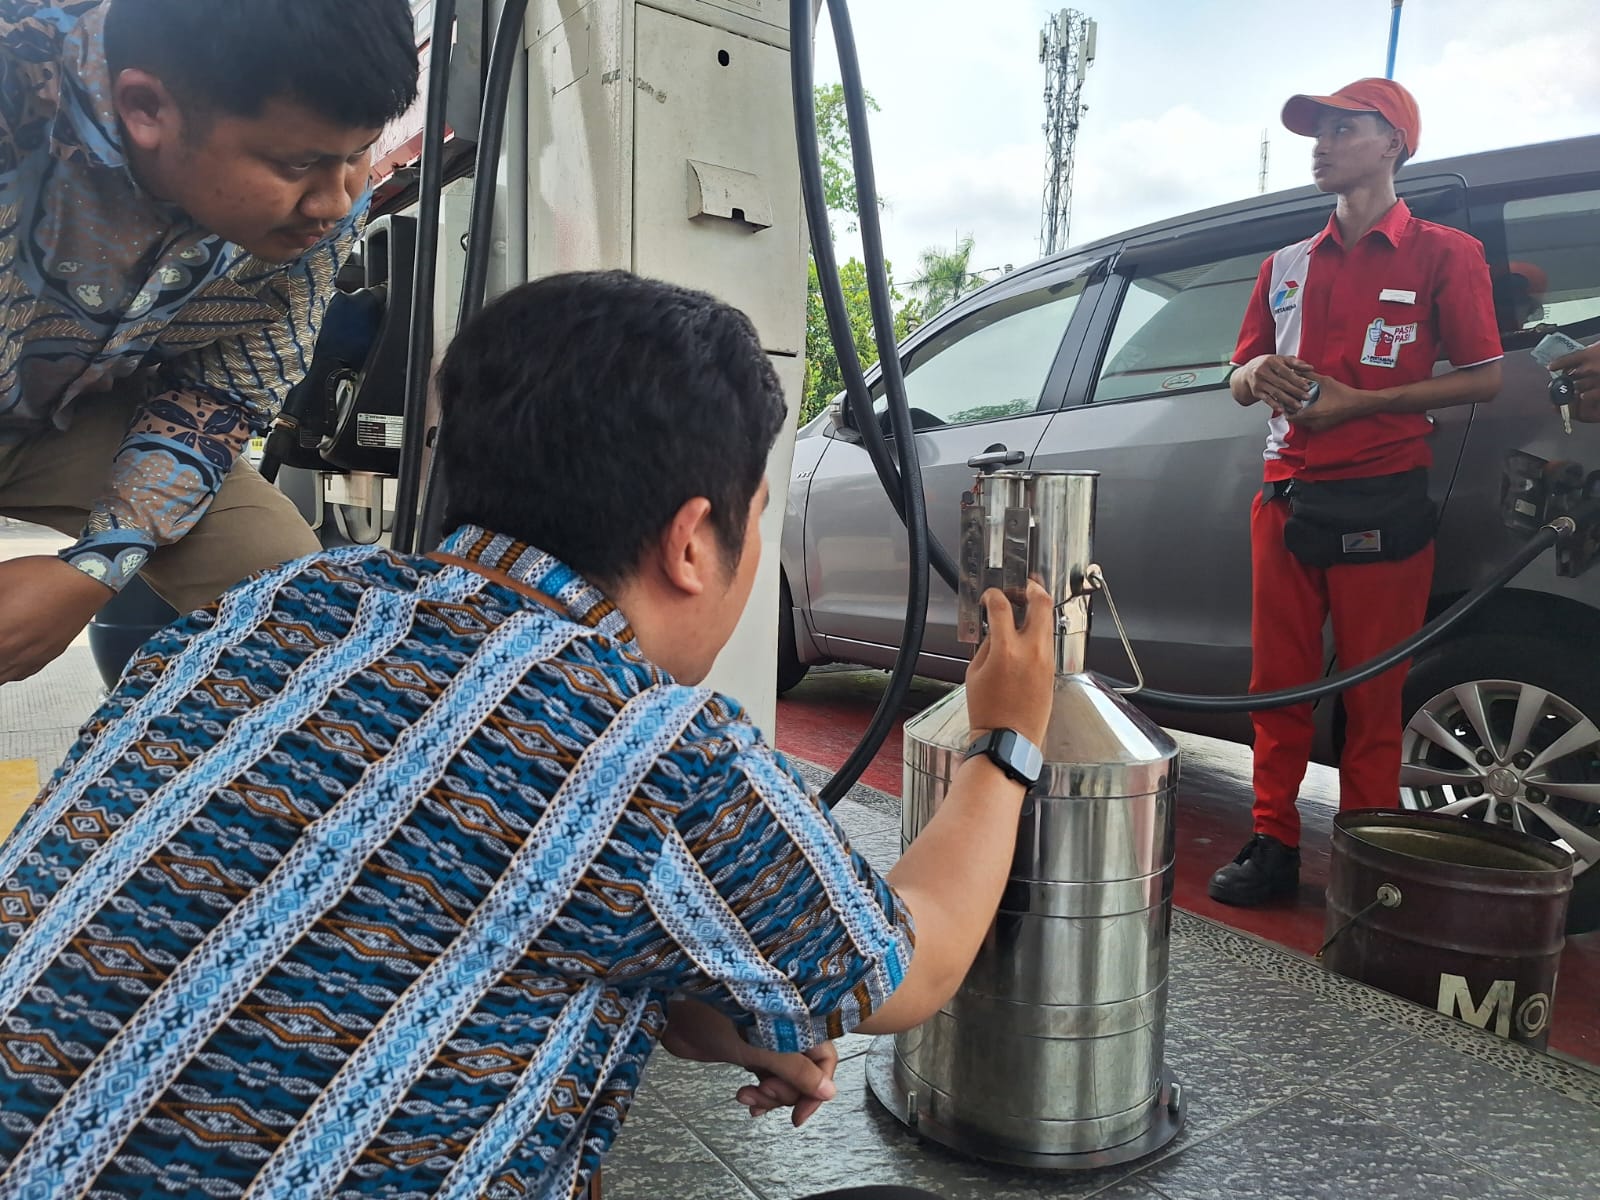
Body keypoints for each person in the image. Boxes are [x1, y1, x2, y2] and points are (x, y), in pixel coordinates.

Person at [0, 270, 1057, 1200]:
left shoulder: (286, 603)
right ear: (695, 540)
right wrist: (1004, 737)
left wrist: (684, 993)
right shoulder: (652, 747)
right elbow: (910, 969)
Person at [0, 0, 420, 686]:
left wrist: (95, 568)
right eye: (298, 163)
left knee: (299, 599)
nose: (337, 202)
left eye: (356, 153)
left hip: (66, 415)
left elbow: (217, 394)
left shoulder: (321, 216)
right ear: (146, 106)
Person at [1210, 78, 1503, 907]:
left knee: (1376, 690)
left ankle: (1369, 856)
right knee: (1280, 682)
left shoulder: (1445, 254)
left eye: (1344, 129)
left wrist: (1361, 404)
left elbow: (1484, 378)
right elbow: (1237, 378)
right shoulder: (1285, 266)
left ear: (1394, 145)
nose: (1322, 144)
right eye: (1317, 132)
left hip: (1385, 497)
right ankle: (1272, 843)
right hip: (1286, 493)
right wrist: (1252, 373)